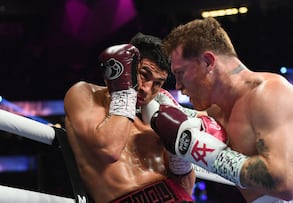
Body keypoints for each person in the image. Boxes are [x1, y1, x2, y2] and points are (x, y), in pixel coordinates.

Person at [147, 17, 293, 203]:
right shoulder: (215, 111)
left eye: (181, 73)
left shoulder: (271, 94)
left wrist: (212, 156)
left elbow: (285, 183)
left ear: (208, 62)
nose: (178, 85)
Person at [63, 33, 196, 203]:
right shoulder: (85, 94)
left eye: (157, 83)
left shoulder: (158, 117)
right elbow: (109, 150)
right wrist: (126, 92)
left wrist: (179, 156)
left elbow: (186, 189)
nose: (147, 89)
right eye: (144, 75)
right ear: (127, 67)